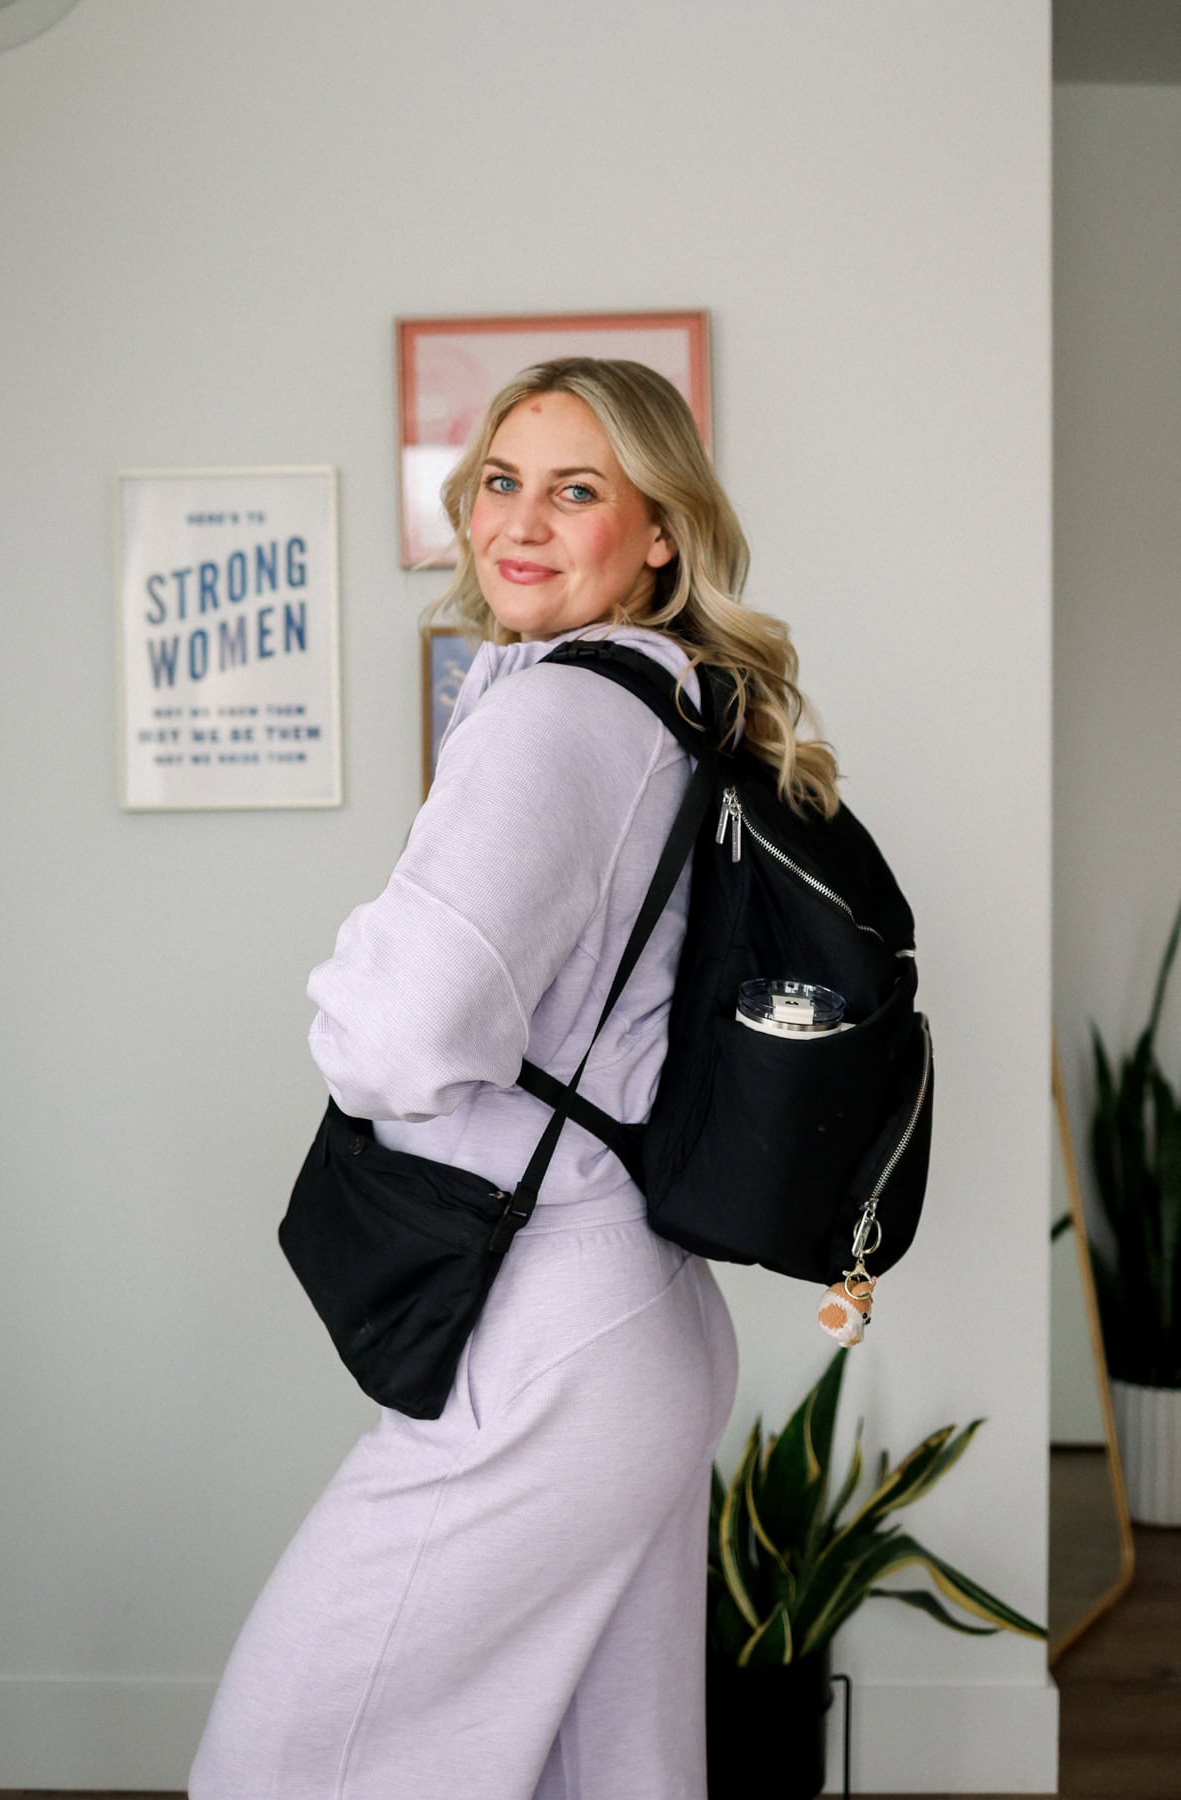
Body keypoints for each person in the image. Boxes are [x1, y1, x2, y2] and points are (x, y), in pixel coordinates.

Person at [189, 357, 838, 1799]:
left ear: (659, 532)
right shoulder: (666, 708)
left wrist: (350, 973)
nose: (521, 522)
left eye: (576, 489)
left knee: (282, 1762)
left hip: (547, 1326)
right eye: (500, 481)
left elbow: (397, 1032)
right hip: (632, 1308)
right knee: (606, 1772)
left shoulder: (557, 719)